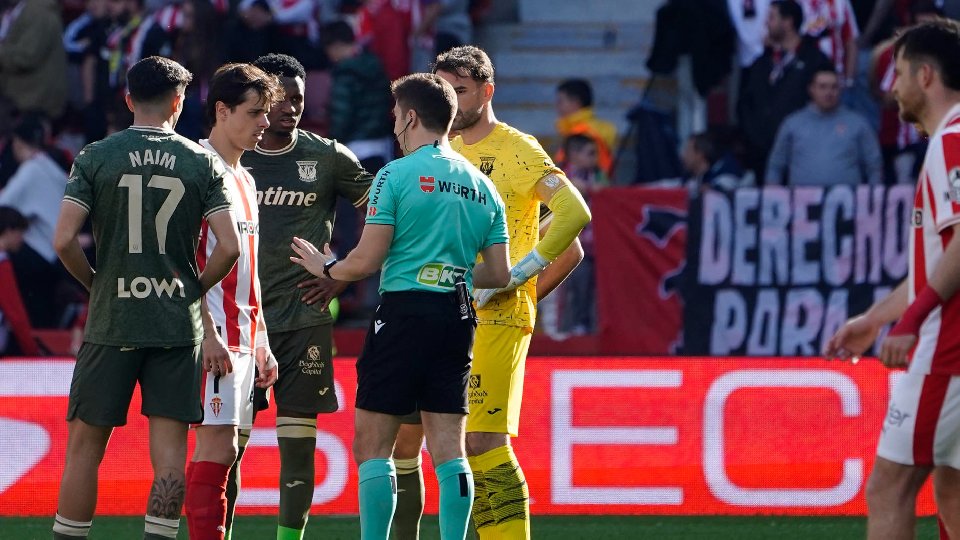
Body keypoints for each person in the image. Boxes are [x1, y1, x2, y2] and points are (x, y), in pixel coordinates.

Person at [289, 71, 511, 540]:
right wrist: (450, 270)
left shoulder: (395, 174)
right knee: (449, 448)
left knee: (374, 444)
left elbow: (367, 260)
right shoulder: (481, 184)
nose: (393, 126)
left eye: (395, 116)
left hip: (404, 313)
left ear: (410, 116)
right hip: (457, 316)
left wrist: (325, 267)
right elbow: (499, 274)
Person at [391, 45, 588, 540]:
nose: (451, 103)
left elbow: (573, 220)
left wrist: (516, 282)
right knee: (423, 443)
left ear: (487, 91)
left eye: (459, 91)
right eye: (443, 92)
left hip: (494, 318)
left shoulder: (517, 149)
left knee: (481, 440)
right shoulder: (437, 152)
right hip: (437, 312)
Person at [51, 56, 240, 540]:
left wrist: (96, 284)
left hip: (113, 318)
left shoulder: (96, 156)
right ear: (179, 103)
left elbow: (63, 240)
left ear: (128, 99)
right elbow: (230, 246)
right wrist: (191, 289)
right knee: (171, 454)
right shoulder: (200, 162)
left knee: (84, 450)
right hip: (176, 326)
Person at [824, 19, 960, 540]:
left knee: (889, 490)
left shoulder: (952, 140)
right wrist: (876, 318)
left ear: (926, 76)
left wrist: (912, 318)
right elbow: (941, 258)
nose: (891, 88)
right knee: (950, 488)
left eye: (898, 73)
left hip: (947, 348)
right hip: (947, 340)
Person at [235, 53, 374, 540]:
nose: (292, 107)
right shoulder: (232, 158)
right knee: (227, 446)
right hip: (240, 323)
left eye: (298, 97)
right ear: (259, 100)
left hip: (305, 318)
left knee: (297, 450)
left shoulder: (328, 156)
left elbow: (385, 217)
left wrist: (342, 275)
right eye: (281, 98)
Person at [183, 62, 281, 540]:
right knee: (216, 449)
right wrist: (207, 332)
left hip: (245, 338)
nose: (266, 121)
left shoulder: (246, 179)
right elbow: (182, 262)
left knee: (229, 452)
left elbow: (250, 270)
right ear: (222, 111)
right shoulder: (197, 169)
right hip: (214, 338)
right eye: (256, 112)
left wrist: (262, 340)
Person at [738, 0, 832, 181]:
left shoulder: (815, 61)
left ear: (788, 22)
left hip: (803, 157)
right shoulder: (761, 63)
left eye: (771, 18)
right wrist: (754, 138)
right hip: (762, 157)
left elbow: (825, 104)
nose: (766, 23)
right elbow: (745, 104)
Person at [0, 113, 68, 327]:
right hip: (59, 253)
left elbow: (3, 204)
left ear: (18, 143)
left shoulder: (30, 171)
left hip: (41, 256)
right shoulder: (48, 165)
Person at [765, 67, 882, 185]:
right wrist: (773, 195)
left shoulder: (858, 123)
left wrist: (873, 197)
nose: (829, 92)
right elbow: (776, 166)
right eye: (822, 87)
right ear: (811, 89)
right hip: (801, 201)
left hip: (847, 200)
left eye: (834, 87)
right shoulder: (792, 123)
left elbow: (874, 165)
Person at [553, 79, 617, 176]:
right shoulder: (593, 128)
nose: (557, 106)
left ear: (576, 103)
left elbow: (564, 169)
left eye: (560, 101)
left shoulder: (581, 132)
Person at [0, 205, 38, 357]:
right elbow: (15, 313)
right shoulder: (2, 263)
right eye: (21, 233)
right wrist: (32, 352)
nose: (22, 239)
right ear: (9, 230)